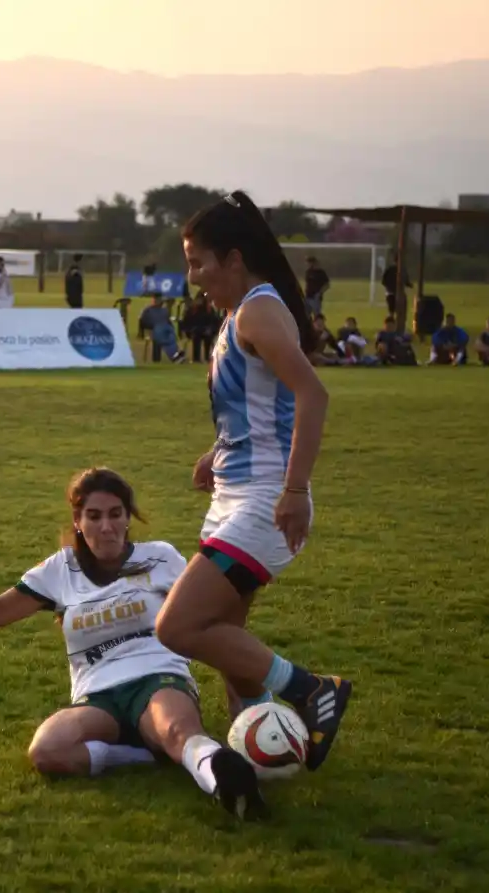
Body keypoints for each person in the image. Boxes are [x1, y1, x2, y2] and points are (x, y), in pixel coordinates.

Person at [0, 468, 266, 820]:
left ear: (127, 518)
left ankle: (225, 783)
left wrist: (239, 691)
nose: (106, 527)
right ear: (78, 521)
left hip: (157, 677)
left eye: (115, 514)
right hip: (97, 695)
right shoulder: (59, 570)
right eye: (94, 516)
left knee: (176, 730)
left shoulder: (160, 557)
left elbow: (211, 623)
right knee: (47, 751)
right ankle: (143, 755)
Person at [156, 190, 352, 772]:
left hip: (266, 500)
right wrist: (215, 451)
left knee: (180, 626)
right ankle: (263, 748)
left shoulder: (259, 312)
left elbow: (312, 395)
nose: (193, 276)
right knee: (227, 642)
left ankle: (314, 691)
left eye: (198, 261)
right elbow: (256, 409)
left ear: (234, 258)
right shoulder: (236, 315)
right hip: (235, 493)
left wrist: (295, 491)